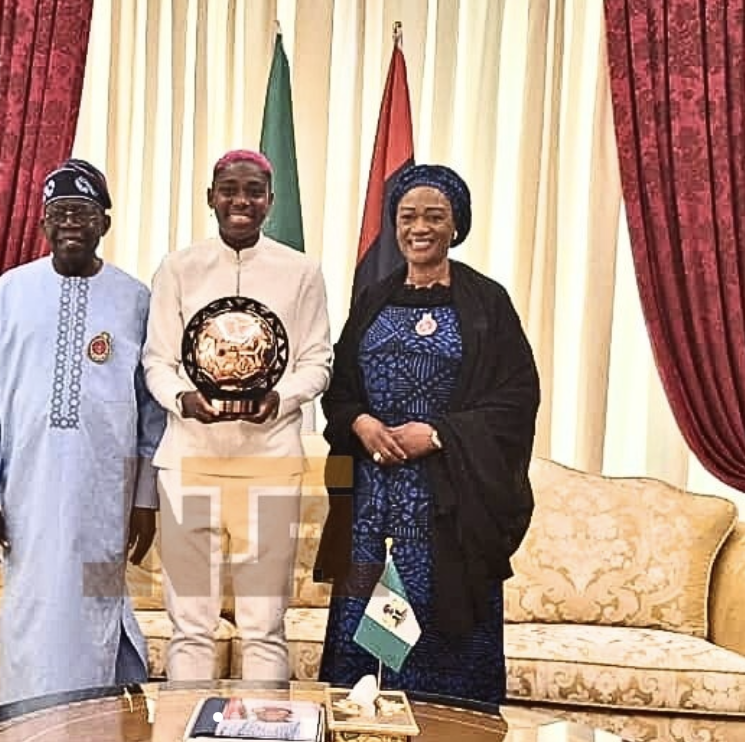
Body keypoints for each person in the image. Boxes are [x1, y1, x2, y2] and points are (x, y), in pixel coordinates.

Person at [314, 163, 540, 704]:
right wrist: (362, 423)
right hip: (370, 506)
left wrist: (437, 434)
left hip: (449, 510)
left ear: (456, 225)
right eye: (408, 215)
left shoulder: (488, 303)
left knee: (436, 653)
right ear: (394, 225)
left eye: (435, 216)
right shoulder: (373, 298)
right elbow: (339, 390)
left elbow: (515, 400)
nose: (420, 227)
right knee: (363, 648)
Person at [0, 158, 165, 705]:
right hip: (27, 495)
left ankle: (93, 726)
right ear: (43, 224)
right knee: (32, 615)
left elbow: (152, 414)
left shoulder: (135, 300)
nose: (71, 224)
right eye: (60, 214)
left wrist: (144, 500)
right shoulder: (9, 293)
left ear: (104, 224)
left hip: (104, 499)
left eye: (83, 213)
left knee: (96, 608)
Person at [143, 149, 333, 681]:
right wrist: (182, 399)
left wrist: (283, 398)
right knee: (190, 625)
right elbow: (157, 360)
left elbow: (318, 360)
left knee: (264, 624)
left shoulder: (301, 272)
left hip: (270, 462)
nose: (241, 201)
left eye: (253, 191)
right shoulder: (178, 269)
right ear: (211, 198)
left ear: (270, 201)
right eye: (229, 189)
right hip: (188, 463)